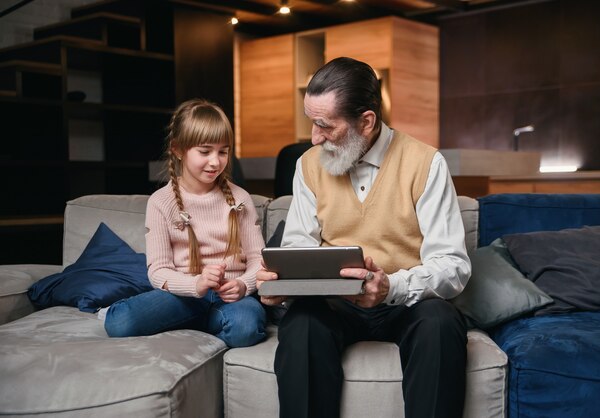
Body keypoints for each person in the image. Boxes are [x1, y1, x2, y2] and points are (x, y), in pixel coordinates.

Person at [256, 57, 471, 418]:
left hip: (405, 301)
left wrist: (391, 287)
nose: (314, 138)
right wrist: (281, 283)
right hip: (335, 304)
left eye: (325, 126)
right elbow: (297, 247)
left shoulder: (426, 163)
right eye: (312, 123)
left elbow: (454, 266)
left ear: (366, 121)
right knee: (303, 323)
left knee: (440, 322)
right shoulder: (308, 164)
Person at [105, 98, 266, 348]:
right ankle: (203, 319)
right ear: (178, 149)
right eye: (205, 151)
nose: (215, 162)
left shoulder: (240, 198)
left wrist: (244, 284)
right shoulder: (161, 202)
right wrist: (197, 284)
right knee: (119, 322)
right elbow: (158, 270)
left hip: (231, 298)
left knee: (246, 329)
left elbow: (259, 260)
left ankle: (199, 321)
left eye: (223, 151)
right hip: (184, 296)